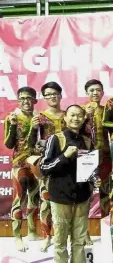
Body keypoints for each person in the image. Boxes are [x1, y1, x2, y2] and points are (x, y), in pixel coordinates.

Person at [39, 105, 96, 263]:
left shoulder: (87, 140)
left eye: (80, 115)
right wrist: (64, 156)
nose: (76, 118)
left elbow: (90, 169)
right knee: (60, 240)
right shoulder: (56, 138)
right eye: (72, 115)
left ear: (83, 118)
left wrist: (93, 178)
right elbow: (44, 168)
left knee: (79, 239)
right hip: (60, 196)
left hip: (82, 196)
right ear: (65, 117)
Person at [4, 86, 40, 251]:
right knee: (19, 200)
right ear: (19, 100)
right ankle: (17, 237)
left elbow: (37, 143)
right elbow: (9, 144)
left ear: (35, 100)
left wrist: (35, 128)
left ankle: (32, 232)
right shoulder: (12, 117)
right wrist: (12, 126)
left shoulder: (39, 117)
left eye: (29, 98)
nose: (26, 101)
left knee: (35, 199)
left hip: (35, 162)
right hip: (19, 164)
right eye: (22, 98)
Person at [32, 81, 66, 252]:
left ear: (61, 95)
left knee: (73, 201)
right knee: (45, 201)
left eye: (55, 93)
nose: (52, 97)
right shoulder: (40, 117)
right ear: (44, 98)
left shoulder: (69, 115)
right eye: (48, 94)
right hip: (48, 165)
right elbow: (33, 144)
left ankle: (79, 235)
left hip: (67, 164)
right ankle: (47, 236)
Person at [82, 79, 112, 242]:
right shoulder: (80, 110)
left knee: (106, 193)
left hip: (105, 155)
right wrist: (85, 117)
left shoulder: (106, 110)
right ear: (87, 93)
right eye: (92, 90)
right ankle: (84, 233)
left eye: (98, 90)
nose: (95, 93)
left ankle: (106, 231)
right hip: (86, 155)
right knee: (85, 195)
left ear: (102, 92)